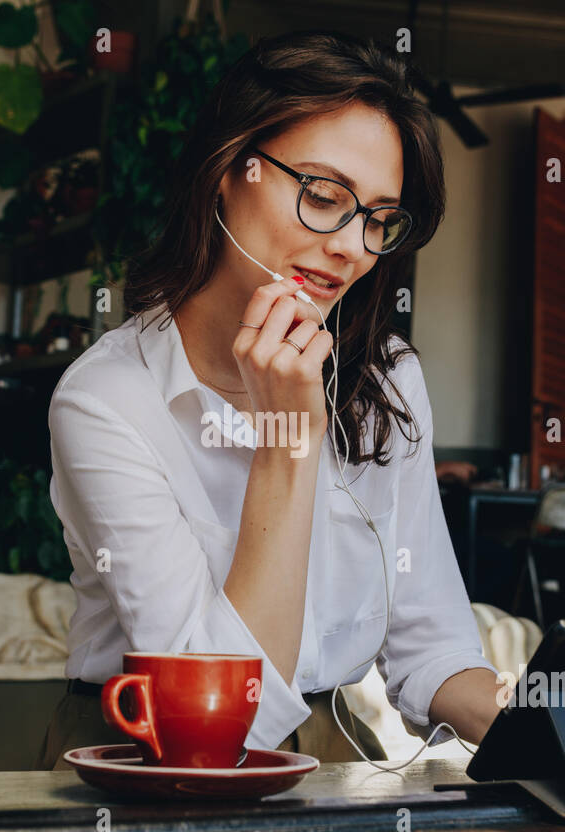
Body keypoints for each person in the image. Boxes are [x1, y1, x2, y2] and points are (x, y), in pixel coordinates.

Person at [36, 30, 502, 772]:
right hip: (143, 757)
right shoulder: (107, 400)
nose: (353, 246)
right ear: (230, 169)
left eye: (381, 219)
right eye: (323, 196)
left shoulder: (386, 379)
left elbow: (432, 647)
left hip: (326, 756)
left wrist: (555, 731)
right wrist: (289, 440)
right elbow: (222, 724)